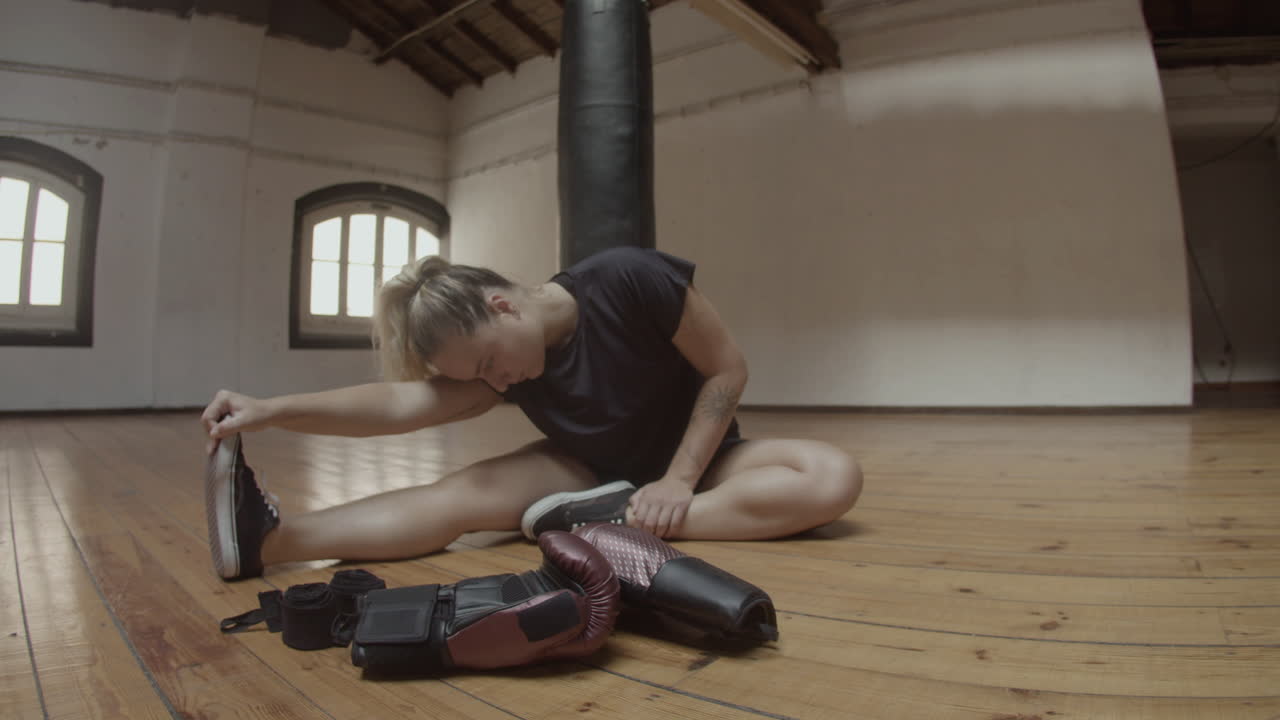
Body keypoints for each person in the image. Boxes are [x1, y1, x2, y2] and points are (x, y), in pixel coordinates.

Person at [201, 246, 862, 580]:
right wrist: (271, 409)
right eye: (479, 378)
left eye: (490, 362)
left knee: (832, 477)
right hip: (583, 471)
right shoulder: (504, 368)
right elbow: (400, 403)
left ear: (502, 306)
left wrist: (680, 481)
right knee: (460, 496)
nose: (495, 381)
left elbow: (727, 368)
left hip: (700, 461)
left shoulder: (630, 278)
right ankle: (271, 543)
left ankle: (611, 524)